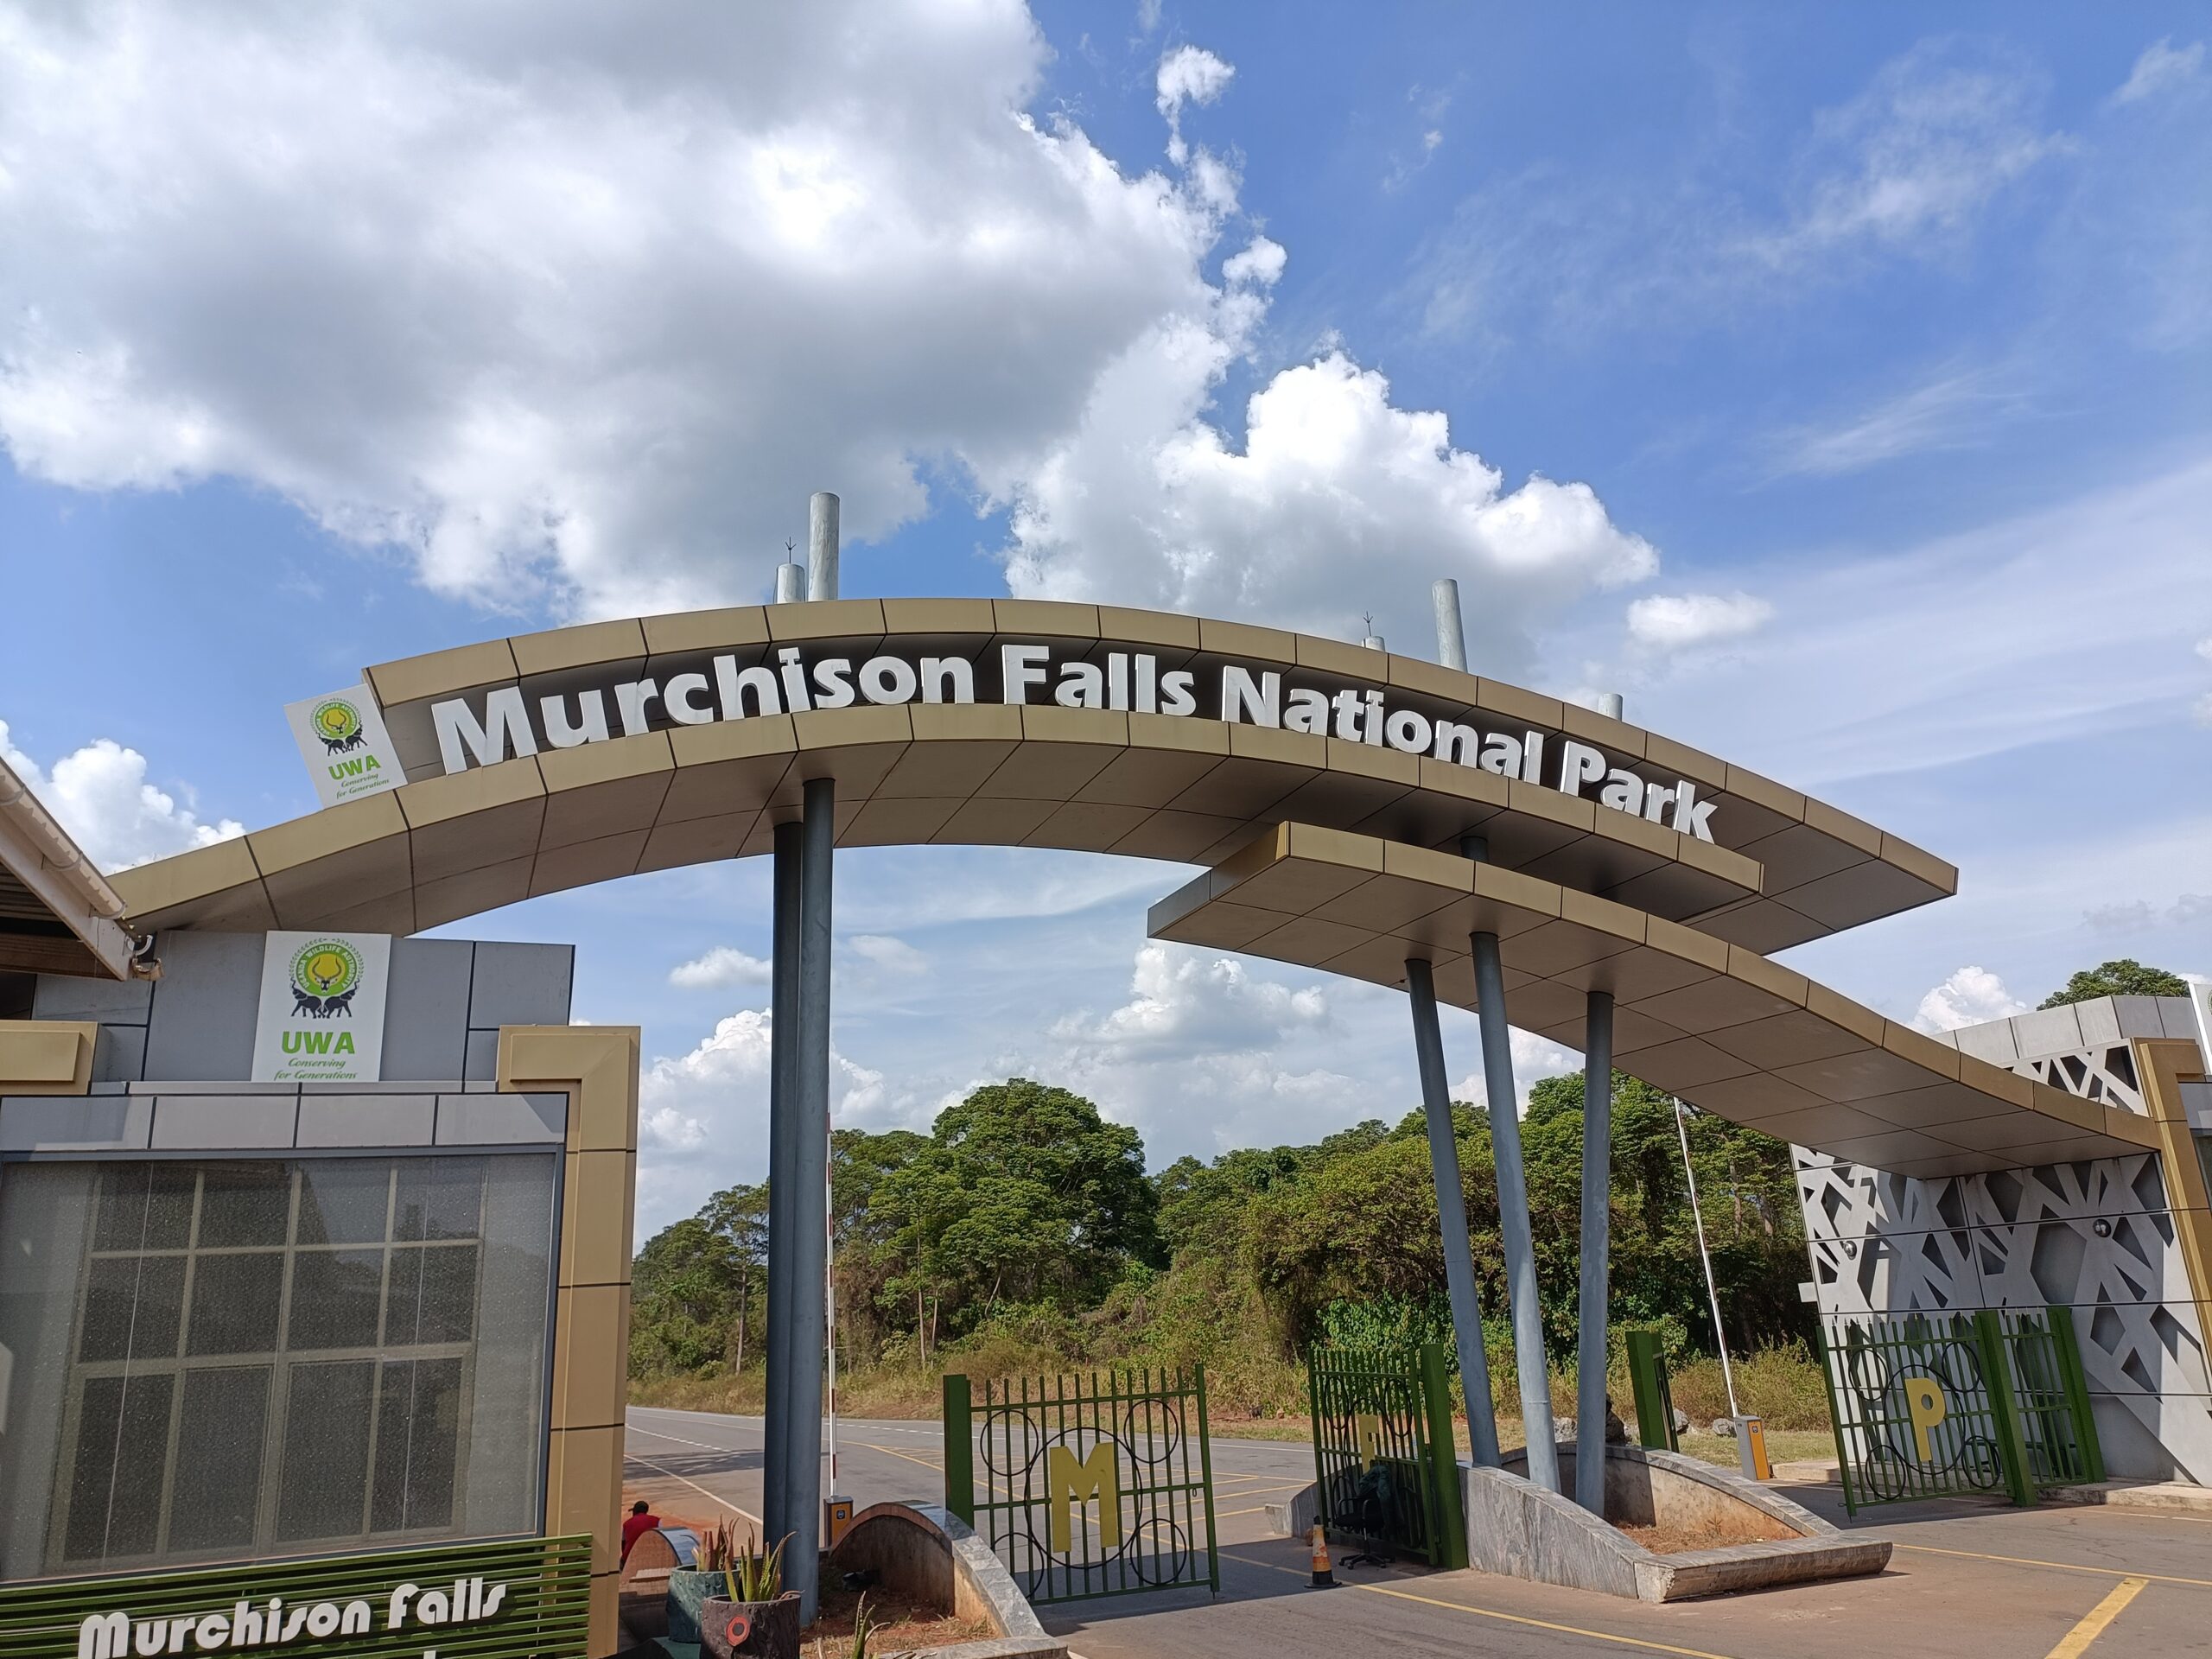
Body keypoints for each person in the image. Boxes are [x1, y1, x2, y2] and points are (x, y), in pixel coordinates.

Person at [621, 1498, 660, 1563]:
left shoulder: (626, 1523)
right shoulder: (657, 1521)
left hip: (631, 1558)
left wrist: (625, 1557)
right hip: (650, 1556)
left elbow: (623, 1544)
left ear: (635, 1511)